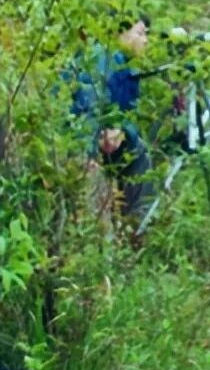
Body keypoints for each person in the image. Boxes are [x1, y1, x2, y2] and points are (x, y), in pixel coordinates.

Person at [62, 12, 156, 220]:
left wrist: (121, 130)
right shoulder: (100, 57)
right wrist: (89, 154)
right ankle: (97, 239)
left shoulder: (128, 69)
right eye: (140, 33)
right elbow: (86, 109)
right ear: (121, 33)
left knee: (138, 152)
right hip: (71, 139)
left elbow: (128, 113)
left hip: (101, 138)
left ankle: (137, 225)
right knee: (91, 175)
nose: (145, 40)